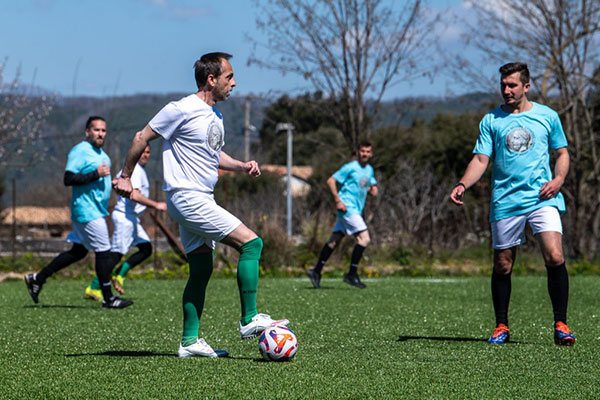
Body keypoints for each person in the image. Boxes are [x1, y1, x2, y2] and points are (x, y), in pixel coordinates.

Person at [113, 52, 289, 358]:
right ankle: (249, 319)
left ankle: (189, 341)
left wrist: (241, 166)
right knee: (252, 244)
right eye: (229, 77)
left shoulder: (215, 116)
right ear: (211, 79)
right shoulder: (181, 109)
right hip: (187, 196)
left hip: (200, 197)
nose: (234, 83)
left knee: (201, 268)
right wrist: (126, 176)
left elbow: (213, 155)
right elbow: (142, 137)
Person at [449, 62, 575, 345]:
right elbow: (481, 159)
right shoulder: (491, 120)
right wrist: (462, 184)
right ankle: (501, 326)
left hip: (542, 197)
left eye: (512, 85)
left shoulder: (547, 116)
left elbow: (562, 153)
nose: (506, 90)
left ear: (526, 86)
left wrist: (558, 179)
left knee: (555, 256)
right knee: (503, 265)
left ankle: (561, 325)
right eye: (503, 85)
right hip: (506, 200)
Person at [24, 116, 133, 309]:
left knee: (78, 252)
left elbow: (100, 181)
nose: (101, 134)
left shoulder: (104, 156)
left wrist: (112, 184)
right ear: (87, 132)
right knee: (104, 252)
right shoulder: (80, 151)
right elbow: (68, 179)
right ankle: (108, 298)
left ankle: (37, 278)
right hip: (86, 210)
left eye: (103, 130)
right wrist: (96, 174)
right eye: (96, 130)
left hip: (95, 209)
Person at [84, 145, 167, 301]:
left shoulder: (132, 170)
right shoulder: (136, 171)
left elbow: (115, 183)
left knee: (146, 248)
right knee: (116, 254)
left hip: (132, 218)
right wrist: (156, 205)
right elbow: (135, 195)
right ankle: (94, 287)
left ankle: (119, 274)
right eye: (142, 152)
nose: (145, 155)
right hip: (125, 218)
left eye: (148, 152)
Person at [305, 142, 378, 289]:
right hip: (347, 208)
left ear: (371, 154)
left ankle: (316, 271)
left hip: (355, 209)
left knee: (334, 240)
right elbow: (331, 181)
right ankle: (352, 274)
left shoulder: (369, 169)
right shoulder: (350, 167)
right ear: (357, 152)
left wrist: (373, 189)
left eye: (367, 151)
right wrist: (338, 201)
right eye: (362, 151)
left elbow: (371, 184)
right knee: (364, 239)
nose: (365, 154)